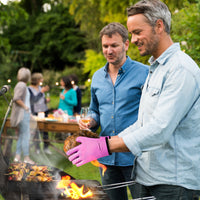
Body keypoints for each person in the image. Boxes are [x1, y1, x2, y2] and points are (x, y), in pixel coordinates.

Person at [66, 1, 200, 199]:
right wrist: (103, 141)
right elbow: (143, 123)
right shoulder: (157, 69)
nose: (135, 39)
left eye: (137, 32)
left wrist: (105, 146)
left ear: (159, 26)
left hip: (173, 183)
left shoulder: (179, 69)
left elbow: (159, 130)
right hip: (151, 177)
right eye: (132, 34)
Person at [77, 22, 149, 200]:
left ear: (125, 44)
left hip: (136, 157)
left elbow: (152, 115)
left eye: (114, 45)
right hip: (106, 158)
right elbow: (95, 110)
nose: (109, 50)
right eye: (105, 46)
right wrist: (91, 121)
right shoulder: (96, 77)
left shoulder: (145, 73)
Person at [10, 67, 35, 164]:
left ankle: (17, 157)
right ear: (28, 76)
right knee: (26, 136)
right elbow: (16, 98)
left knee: (21, 136)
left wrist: (29, 113)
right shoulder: (22, 85)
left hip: (25, 114)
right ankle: (26, 158)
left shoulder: (22, 85)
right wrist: (26, 108)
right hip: (22, 115)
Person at [28, 73, 52, 155]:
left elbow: (41, 99)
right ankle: (37, 148)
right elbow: (33, 100)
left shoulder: (40, 88)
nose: (42, 80)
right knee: (36, 131)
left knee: (45, 130)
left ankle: (46, 148)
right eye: (41, 79)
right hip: (35, 112)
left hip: (44, 111)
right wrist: (41, 92)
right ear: (37, 80)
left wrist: (46, 100)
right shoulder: (29, 89)